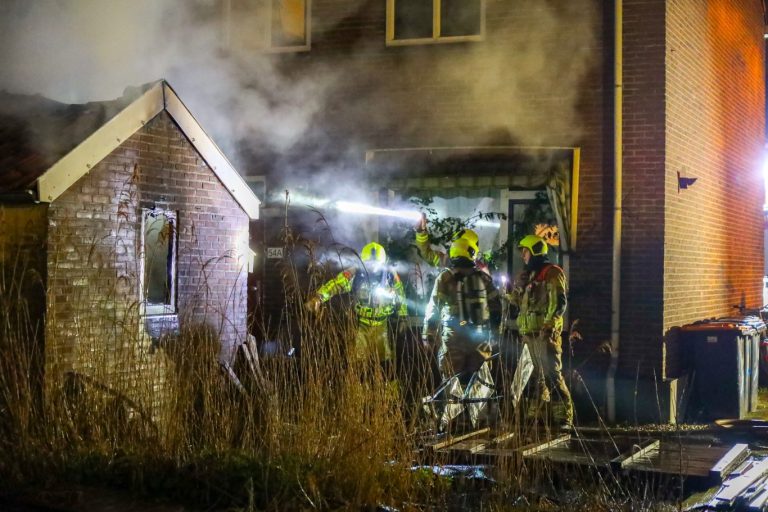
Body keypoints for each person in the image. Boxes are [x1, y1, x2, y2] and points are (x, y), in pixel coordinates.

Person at [423, 237, 502, 428]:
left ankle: (452, 422)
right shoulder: (483, 278)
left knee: (452, 379)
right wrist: (494, 335)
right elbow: (496, 308)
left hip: (453, 338)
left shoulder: (445, 278)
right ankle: (480, 421)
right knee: (479, 379)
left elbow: (433, 308)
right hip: (480, 338)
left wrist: (429, 335)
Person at [508, 234, 573, 429]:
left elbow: (558, 303)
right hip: (528, 334)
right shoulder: (530, 276)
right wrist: (516, 289)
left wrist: (549, 326)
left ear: (535, 251)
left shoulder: (552, 273)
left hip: (545, 335)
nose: (523, 256)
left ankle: (563, 418)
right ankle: (537, 416)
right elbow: (518, 304)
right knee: (534, 378)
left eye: (525, 252)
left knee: (552, 375)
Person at [305, 242, 407, 365]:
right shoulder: (355, 273)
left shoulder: (390, 275)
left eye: (376, 263)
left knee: (385, 362)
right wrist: (318, 298)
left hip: (383, 325)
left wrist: (403, 317)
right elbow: (336, 284)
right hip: (361, 325)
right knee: (358, 362)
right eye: (369, 263)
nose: (372, 266)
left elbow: (400, 294)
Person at [415, 213, 485, 271]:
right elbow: (426, 254)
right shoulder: (447, 261)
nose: (457, 249)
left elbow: (426, 253)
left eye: (461, 245)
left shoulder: (480, 272)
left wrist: (421, 233)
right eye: (456, 245)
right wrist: (421, 232)